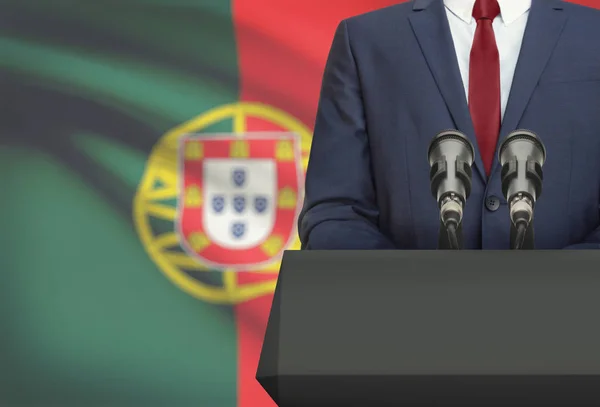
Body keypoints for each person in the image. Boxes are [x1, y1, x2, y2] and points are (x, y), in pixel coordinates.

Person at [298, 0, 600, 250]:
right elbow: (335, 212)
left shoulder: (592, 35)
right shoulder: (366, 41)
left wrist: (560, 286)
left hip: (571, 313)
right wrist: (412, 292)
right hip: (403, 315)